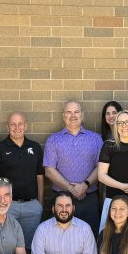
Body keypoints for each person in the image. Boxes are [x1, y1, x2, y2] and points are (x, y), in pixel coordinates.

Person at [44, 101, 104, 236]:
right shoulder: (53, 140)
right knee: (60, 238)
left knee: (90, 237)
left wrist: (85, 185)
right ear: (63, 115)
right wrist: (71, 188)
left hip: (88, 199)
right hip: (61, 199)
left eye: (76, 112)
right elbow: (49, 171)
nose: (73, 116)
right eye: (68, 112)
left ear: (82, 115)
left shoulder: (95, 139)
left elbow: (100, 167)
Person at [0, 112, 44, 248]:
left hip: (32, 206)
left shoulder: (35, 147)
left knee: (30, 247)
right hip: (6, 207)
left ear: (26, 126)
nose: (17, 127)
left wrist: (40, 204)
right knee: (6, 246)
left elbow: (40, 177)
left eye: (20, 124)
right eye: (13, 124)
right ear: (8, 126)